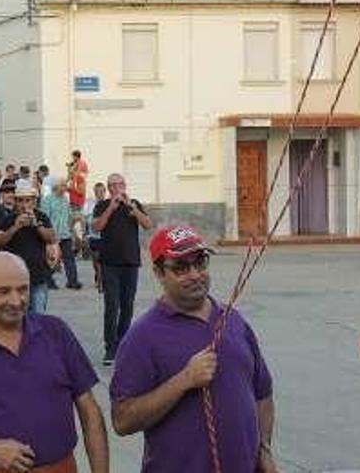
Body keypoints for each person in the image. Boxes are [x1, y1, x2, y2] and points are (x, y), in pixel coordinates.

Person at [110, 225, 276, 473]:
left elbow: (263, 393)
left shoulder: (233, 321)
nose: (195, 274)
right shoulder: (143, 337)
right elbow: (122, 420)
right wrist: (184, 380)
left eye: (200, 263)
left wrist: (263, 449)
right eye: (181, 267)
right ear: (158, 272)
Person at [0, 252, 109, 473]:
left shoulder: (55, 332)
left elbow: (90, 412)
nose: (16, 301)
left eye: (23, 289)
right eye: (3, 291)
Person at [92, 173, 154, 364]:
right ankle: (110, 348)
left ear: (125, 185)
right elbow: (97, 227)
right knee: (112, 306)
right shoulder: (102, 205)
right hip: (109, 263)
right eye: (113, 185)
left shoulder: (133, 203)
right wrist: (111, 207)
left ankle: (123, 344)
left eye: (120, 184)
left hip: (131, 262)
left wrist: (132, 209)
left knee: (127, 306)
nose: (117, 188)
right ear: (109, 188)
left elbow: (148, 225)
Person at [0, 181, 57, 314]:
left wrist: (36, 225)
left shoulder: (41, 217)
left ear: (33, 201)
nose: (24, 204)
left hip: (38, 277)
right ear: (15, 202)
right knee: (18, 318)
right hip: (15, 280)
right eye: (20, 201)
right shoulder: (8, 219)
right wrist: (16, 227)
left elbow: (51, 238)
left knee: (38, 318)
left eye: (28, 200)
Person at [41, 177, 82, 290]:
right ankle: (49, 281)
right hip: (52, 234)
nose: (65, 188)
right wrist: (49, 234)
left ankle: (72, 281)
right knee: (52, 259)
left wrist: (73, 229)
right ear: (56, 187)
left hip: (65, 234)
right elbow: (45, 218)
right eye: (63, 185)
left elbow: (69, 216)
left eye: (65, 185)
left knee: (69, 258)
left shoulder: (65, 199)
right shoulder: (47, 200)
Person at [84, 182, 107, 292]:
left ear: (105, 192)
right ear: (95, 193)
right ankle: (98, 275)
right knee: (95, 261)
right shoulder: (89, 205)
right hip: (93, 236)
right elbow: (85, 220)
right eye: (98, 192)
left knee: (101, 261)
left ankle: (101, 282)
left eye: (102, 192)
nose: (100, 194)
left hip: (105, 237)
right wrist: (85, 234)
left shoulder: (108, 204)